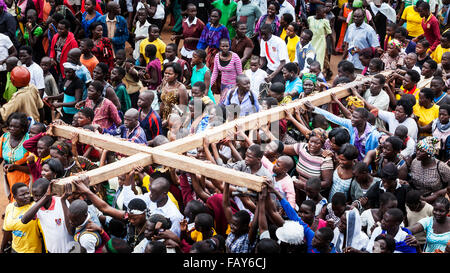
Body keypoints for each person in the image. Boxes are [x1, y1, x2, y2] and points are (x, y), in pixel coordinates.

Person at [305, 100, 381, 160]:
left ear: (364, 119)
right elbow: (334, 118)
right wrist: (314, 108)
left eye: (356, 118)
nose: (352, 119)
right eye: (352, 116)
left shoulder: (374, 135)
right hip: (353, 160)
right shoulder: (352, 126)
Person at [282, 128, 333, 205]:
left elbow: (327, 182)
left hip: (313, 195)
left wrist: (305, 186)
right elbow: (283, 148)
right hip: (297, 189)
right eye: (311, 141)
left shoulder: (325, 159)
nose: (312, 145)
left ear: (322, 145)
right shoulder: (302, 147)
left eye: (317, 143)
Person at [21, 178, 74, 253]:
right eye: (34, 196)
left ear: (49, 192)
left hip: (70, 250)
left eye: (38, 196)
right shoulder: (37, 206)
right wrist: (45, 197)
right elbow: (24, 220)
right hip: (51, 251)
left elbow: (71, 230)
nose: (35, 199)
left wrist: (47, 196)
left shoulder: (61, 201)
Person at [0, 183, 42, 253]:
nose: (27, 196)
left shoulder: (35, 207)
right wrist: (2, 249)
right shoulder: (10, 207)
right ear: (14, 197)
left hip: (33, 250)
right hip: (15, 249)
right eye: (22, 195)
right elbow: (7, 231)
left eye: (28, 193)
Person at [0, 113, 32, 201]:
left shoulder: (29, 140)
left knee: (23, 200)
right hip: (9, 177)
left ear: (23, 128)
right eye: (10, 126)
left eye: (16, 127)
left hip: (26, 178)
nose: (12, 129)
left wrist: (15, 167)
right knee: (12, 199)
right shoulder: (4, 138)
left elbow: (34, 167)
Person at [409, 137, 450, 204]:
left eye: (421, 151)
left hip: (436, 202)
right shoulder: (415, 162)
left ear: (429, 154)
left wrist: (436, 194)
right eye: (417, 150)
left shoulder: (441, 167)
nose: (417, 153)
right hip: (417, 200)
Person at [343, 8, 381, 72]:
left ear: (363, 17)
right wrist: (343, 59)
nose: (355, 18)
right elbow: (348, 44)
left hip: (361, 66)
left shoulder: (369, 30)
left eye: (358, 17)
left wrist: (360, 51)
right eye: (354, 16)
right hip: (350, 63)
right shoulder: (350, 27)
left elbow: (376, 49)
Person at [210, 38, 242, 104]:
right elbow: (215, 73)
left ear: (229, 46)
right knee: (223, 104)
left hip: (234, 85)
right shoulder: (217, 56)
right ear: (219, 47)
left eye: (227, 46)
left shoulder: (235, 57)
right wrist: (209, 85)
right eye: (223, 46)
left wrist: (238, 86)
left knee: (230, 104)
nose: (225, 48)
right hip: (223, 84)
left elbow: (240, 74)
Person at [159, 62, 189, 126]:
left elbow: (182, 110)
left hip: (175, 122)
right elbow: (163, 102)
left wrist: (168, 121)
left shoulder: (181, 88)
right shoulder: (165, 84)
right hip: (163, 119)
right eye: (165, 73)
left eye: (170, 74)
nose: (166, 75)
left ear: (176, 75)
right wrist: (159, 117)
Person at [307, 5, 332, 72]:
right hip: (312, 41)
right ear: (317, 12)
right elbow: (308, 28)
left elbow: (329, 32)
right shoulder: (310, 19)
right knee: (311, 56)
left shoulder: (325, 21)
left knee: (319, 58)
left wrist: (323, 37)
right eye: (323, 13)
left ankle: (318, 74)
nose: (325, 14)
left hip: (321, 42)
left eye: (325, 13)